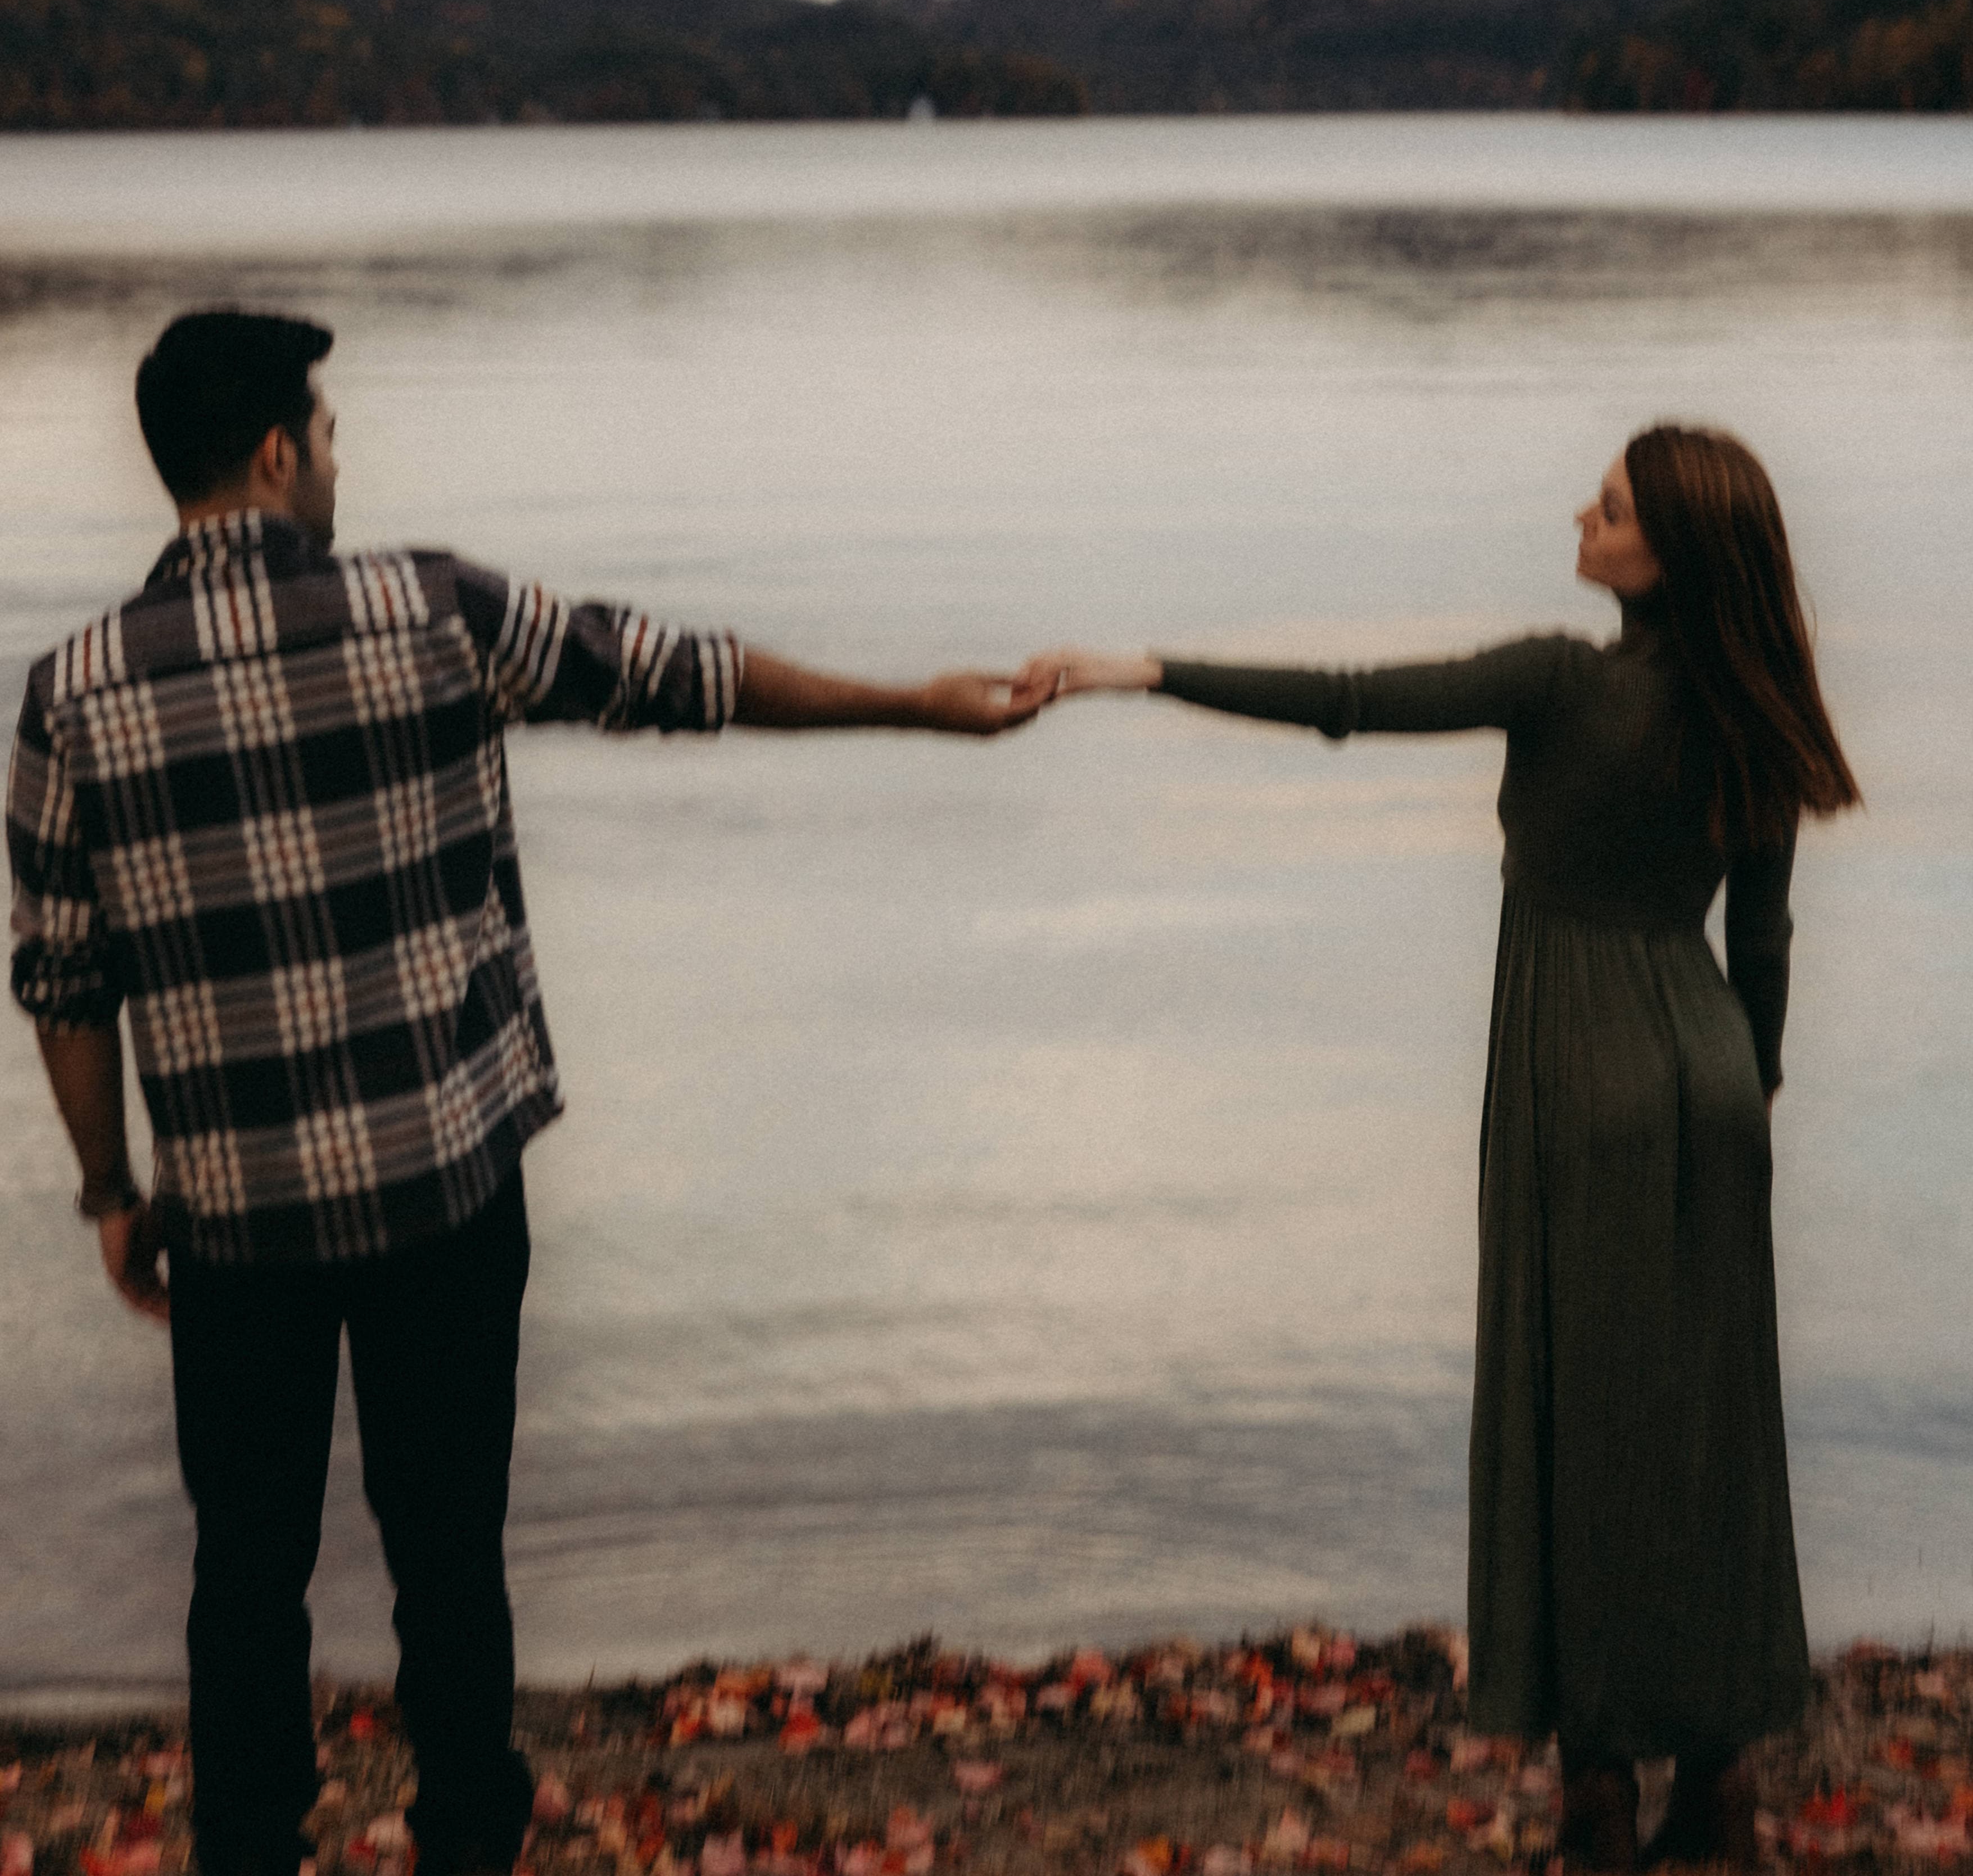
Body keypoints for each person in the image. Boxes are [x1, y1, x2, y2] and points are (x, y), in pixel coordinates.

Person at [8, 308, 1047, 1876]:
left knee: (246, 1574)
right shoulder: (433, 610)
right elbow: (675, 676)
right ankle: (467, 1844)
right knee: (448, 1560)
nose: (339, 462)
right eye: (331, 434)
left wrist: (107, 1192)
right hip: (441, 1191)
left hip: (235, 1219)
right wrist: (916, 703)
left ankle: (246, 1850)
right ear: (281, 451)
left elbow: (65, 984)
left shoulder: (69, 691)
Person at [1024, 424, 1859, 1872]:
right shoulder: (1757, 706)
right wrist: (1750, 1092)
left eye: (1607, 508)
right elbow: (1765, 944)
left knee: (1576, 1417)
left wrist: (1147, 670)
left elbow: (1355, 702)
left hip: (1574, 1066)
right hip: (1709, 1071)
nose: (1580, 517)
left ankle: (1599, 1789)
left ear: (1665, 550)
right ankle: (1718, 1782)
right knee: (1713, 1426)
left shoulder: (1557, 680)